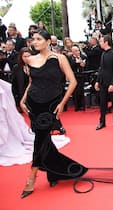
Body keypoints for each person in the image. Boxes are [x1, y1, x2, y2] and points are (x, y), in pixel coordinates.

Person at [19, 29, 87, 199]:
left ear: (48, 41)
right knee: (44, 139)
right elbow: (32, 82)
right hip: (34, 105)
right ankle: (55, 172)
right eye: (33, 39)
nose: (34, 42)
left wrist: (63, 103)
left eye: (39, 39)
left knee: (40, 139)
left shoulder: (59, 58)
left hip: (51, 105)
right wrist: (23, 99)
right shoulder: (31, 59)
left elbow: (73, 82)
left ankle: (31, 178)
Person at [95, 35, 113, 130]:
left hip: (111, 83)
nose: (100, 43)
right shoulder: (103, 54)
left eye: (101, 41)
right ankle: (102, 122)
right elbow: (101, 69)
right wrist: (97, 81)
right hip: (102, 82)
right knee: (102, 103)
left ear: (106, 42)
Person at [11, 47, 31, 112]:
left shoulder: (36, 66)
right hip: (22, 96)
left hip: (34, 95)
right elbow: (14, 85)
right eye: (25, 56)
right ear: (21, 57)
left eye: (28, 56)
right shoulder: (16, 68)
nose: (27, 58)